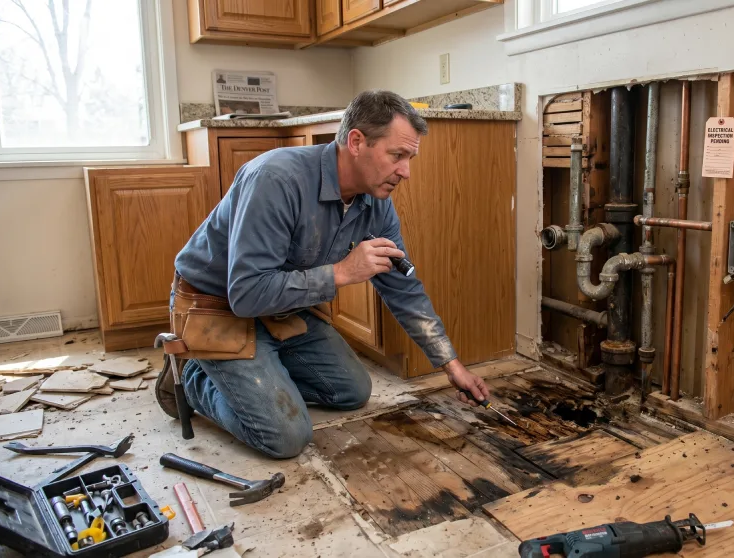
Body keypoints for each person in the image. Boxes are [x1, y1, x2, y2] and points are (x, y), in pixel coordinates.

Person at [155, 90, 491, 458]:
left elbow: (403, 287)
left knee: (352, 391)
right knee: (285, 437)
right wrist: (342, 272)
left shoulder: (375, 203)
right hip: (218, 304)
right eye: (397, 155)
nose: (406, 172)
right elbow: (246, 293)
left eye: (410, 158)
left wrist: (452, 365)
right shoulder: (276, 179)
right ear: (357, 141)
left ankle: (259, 374)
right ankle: (193, 379)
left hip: (280, 306)